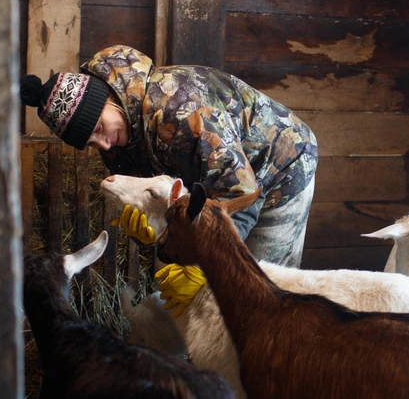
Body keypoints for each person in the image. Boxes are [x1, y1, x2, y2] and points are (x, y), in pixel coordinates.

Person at [21, 45, 318, 312]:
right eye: (91, 142)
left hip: (282, 165)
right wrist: (153, 226)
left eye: (99, 128)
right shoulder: (118, 136)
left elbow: (239, 190)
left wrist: (204, 262)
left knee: (262, 291)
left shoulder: (179, 108)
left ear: (109, 99)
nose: (104, 145)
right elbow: (159, 194)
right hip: (220, 183)